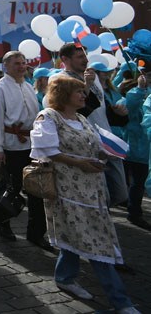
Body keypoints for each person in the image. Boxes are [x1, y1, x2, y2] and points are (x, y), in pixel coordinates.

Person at [30, 76, 138, 313]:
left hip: (93, 188)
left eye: (83, 91)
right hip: (67, 189)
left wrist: (106, 154)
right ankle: (121, 301)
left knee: (76, 235)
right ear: (64, 94)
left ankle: (64, 277)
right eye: (78, 91)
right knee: (95, 241)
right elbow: (47, 150)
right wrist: (80, 163)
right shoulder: (48, 117)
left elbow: (95, 145)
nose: (84, 95)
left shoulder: (81, 118)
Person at [0, 51, 48, 248]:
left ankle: (36, 233)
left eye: (23, 63)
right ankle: (3, 222)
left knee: (37, 189)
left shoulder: (28, 86)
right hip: (11, 147)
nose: (22, 67)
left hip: (32, 145)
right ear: (6, 66)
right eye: (17, 64)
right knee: (10, 189)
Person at [55, 43, 128, 207]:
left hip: (107, 139)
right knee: (101, 196)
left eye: (85, 56)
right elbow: (72, 113)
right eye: (80, 57)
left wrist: (118, 114)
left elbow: (101, 109)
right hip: (86, 144)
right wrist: (85, 86)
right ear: (65, 59)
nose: (85, 60)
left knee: (121, 192)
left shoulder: (92, 77)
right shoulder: (61, 80)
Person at [120, 65, 150, 229]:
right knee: (137, 184)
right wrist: (139, 88)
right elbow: (131, 104)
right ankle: (134, 213)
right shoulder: (128, 100)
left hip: (143, 150)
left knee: (138, 183)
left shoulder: (144, 99)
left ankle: (133, 208)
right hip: (134, 149)